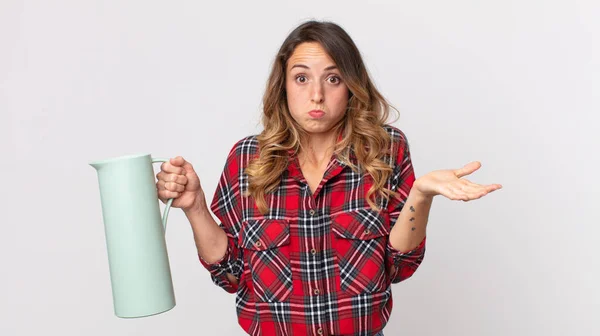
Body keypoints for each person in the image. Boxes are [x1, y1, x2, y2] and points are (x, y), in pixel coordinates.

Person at [156, 20, 502, 336]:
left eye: (333, 78)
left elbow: (399, 266)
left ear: (351, 86)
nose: (317, 94)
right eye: (302, 78)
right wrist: (195, 206)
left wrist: (421, 195)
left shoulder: (386, 149)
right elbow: (231, 274)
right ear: (284, 86)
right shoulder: (248, 159)